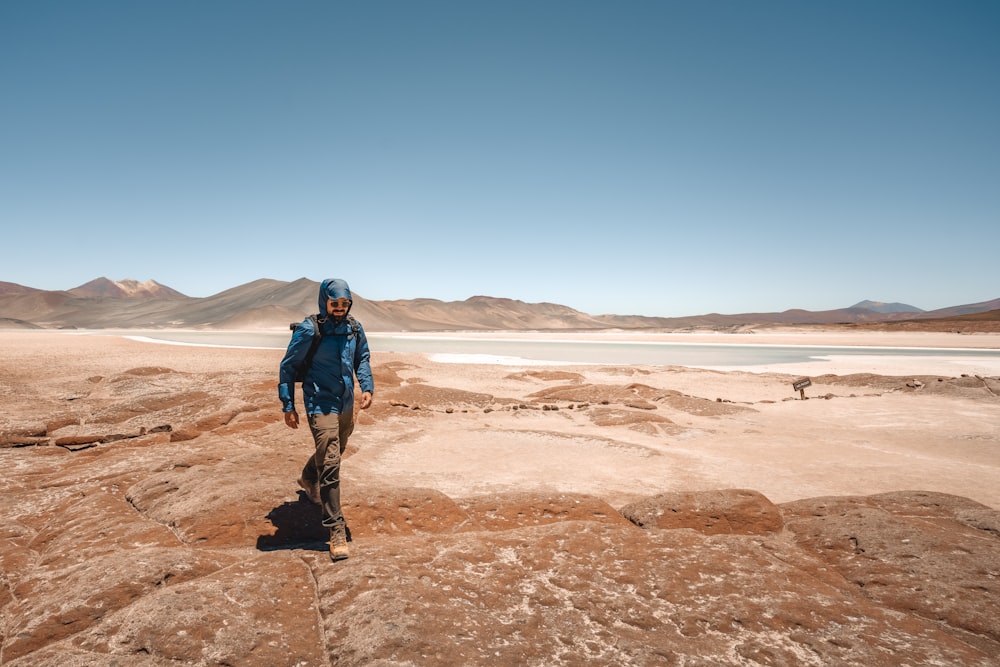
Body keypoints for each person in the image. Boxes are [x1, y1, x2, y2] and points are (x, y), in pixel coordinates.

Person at [278, 278, 374, 561]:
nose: (340, 309)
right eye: (335, 304)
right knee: (331, 464)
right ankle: (335, 529)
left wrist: (366, 385)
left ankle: (308, 477)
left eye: (344, 304)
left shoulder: (354, 328)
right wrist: (288, 405)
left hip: (345, 403)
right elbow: (288, 366)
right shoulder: (310, 329)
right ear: (325, 302)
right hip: (319, 403)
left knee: (334, 451)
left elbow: (362, 357)